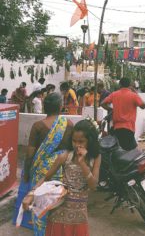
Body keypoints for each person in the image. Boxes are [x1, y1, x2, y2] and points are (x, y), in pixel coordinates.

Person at [22, 119, 101, 236]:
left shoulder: (95, 157)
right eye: (74, 141)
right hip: (59, 212)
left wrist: (83, 163)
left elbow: (93, 185)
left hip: (79, 215)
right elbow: (46, 177)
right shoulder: (65, 156)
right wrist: (30, 195)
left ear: (90, 141)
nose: (77, 145)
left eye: (81, 141)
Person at [13, 93, 73, 235]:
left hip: (41, 172)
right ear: (60, 107)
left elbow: (29, 154)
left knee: (40, 206)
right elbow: (71, 149)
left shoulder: (38, 126)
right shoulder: (69, 124)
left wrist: (26, 173)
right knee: (57, 205)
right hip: (61, 170)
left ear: (45, 107)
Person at [101, 77, 145, 151]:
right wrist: (136, 93)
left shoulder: (114, 94)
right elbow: (143, 106)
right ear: (129, 85)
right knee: (131, 151)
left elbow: (102, 103)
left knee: (118, 150)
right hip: (129, 127)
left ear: (120, 85)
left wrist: (111, 109)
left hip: (117, 128)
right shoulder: (133, 95)